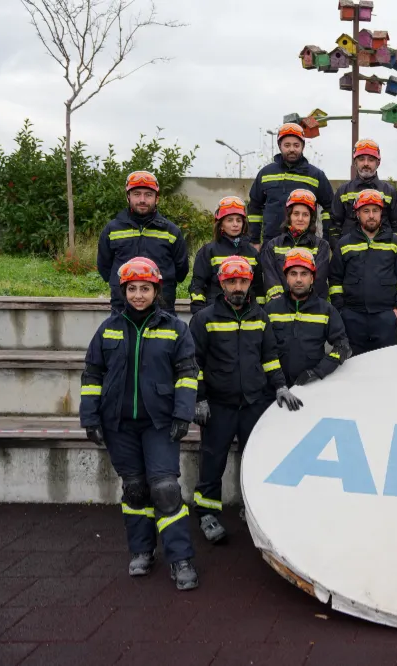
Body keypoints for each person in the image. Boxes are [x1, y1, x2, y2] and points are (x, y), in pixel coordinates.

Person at [79, 257, 198, 590]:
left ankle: (181, 559)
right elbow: (92, 375)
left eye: (145, 288)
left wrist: (182, 414)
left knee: (165, 489)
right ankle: (142, 551)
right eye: (132, 289)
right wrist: (90, 417)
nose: (138, 295)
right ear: (123, 291)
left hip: (160, 424)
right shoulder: (108, 329)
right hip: (119, 425)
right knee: (135, 489)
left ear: (156, 290)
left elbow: (188, 375)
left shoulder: (176, 329)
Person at [189, 256, 303, 543]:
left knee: (255, 459)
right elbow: (193, 364)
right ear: (221, 283)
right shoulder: (204, 319)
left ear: (250, 282)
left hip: (253, 403)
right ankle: (207, 514)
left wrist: (279, 387)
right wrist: (199, 399)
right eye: (231, 281)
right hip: (218, 405)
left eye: (242, 281)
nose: (237, 287)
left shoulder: (260, 317)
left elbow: (269, 358)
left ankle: (251, 509)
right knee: (212, 460)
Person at [330, 189, 397, 355]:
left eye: (375, 210)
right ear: (357, 214)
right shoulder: (344, 244)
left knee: (385, 368)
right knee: (354, 368)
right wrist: (341, 311)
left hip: (385, 316)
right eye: (366, 211)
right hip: (353, 317)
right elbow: (334, 279)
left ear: (381, 213)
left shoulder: (395, 243)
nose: (371, 215)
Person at [97, 171, 189, 311]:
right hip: (123, 306)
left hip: (162, 307)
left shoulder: (171, 231)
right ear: (128, 197)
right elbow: (104, 266)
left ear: (156, 198)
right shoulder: (112, 230)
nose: (142, 199)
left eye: (148, 194)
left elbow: (181, 270)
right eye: (136, 194)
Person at [265, 248, 352, 386]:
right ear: (286, 278)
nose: (298, 279)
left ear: (312, 278)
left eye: (304, 274)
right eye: (293, 274)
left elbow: (343, 347)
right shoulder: (271, 309)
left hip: (311, 387)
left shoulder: (326, 310)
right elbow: (261, 349)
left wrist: (318, 372)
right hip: (275, 387)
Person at [248, 123, 333, 249]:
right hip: (271, 243)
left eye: (296, 145)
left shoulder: (316, 175)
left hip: (305, 245)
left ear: (303, 146)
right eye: (287, 145)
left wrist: (327, 239)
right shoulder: (265, 174)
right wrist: (254, 240)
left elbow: (330, 207)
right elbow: (254, 207)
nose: (292, 149)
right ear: (280, 146)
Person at [189, 196, 263, 313]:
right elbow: (198, 284)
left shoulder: (252, 253)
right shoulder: (208, 251)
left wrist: (259, 312)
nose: (235, 224)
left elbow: (258, 288)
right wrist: (200, 313)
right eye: (230, 220)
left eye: (239, 220)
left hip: (246, 314)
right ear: (221, 224)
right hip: (215, 313)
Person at [329, 138, 397, 245]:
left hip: (383, 256)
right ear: (355, 162)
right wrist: (339, 253)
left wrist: (395, 252)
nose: (366, 163)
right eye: (361, 159)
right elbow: (334, 227)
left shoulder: (389, 192)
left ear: (378, 162)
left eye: (371, 159)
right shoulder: (343, 191)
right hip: (350, 255)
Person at [261, 189, 331, 301]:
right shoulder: (273, 246)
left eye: (305, 215)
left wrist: (301, 299)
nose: (300, 219)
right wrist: (283, 302)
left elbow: (319, 280)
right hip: (281, 308)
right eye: (296, 214)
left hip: (312, 308)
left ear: (311, 218)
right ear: (289, 216)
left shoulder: (322, 246)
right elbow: (270, 279)